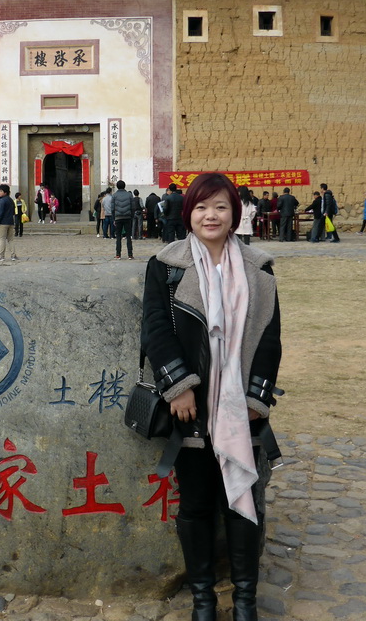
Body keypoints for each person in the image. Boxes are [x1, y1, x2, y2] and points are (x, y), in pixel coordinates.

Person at [141, 172, 282, 621]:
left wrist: (258, 400)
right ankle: (203, 599)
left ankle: (244, 600)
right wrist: (178, 387)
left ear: (234, 213)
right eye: (201, 207)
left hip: (241, 407)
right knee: (197, 503)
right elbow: (155, 329)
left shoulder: (260, 268)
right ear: (189, 214)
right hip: (192, 408)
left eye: (220, 206)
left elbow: (270, 339)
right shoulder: (166, 265)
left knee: (242, 503)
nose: (210, 215)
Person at [111, 180, 135, 259]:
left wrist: (114, 218)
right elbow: (132, 207)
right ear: (124, 186)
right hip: (127, 217)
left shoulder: (114, 196)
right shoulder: (129, 195)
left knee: (118, 236)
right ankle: (130, 254)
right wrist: (131, 216)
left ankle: (118, 254)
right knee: (128, 236)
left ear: (117, 186)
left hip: (118, 218)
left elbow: (112, 208)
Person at [0, 184, 18, 261]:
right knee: (11, 239)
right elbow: (14, 212)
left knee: (2, 239)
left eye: (1, 191)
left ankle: (1, 256)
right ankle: (13, 255)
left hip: (3, 223)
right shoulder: (11, 200)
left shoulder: (2, 201)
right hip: (10, 222)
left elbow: (0, 213)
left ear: (5, 192)